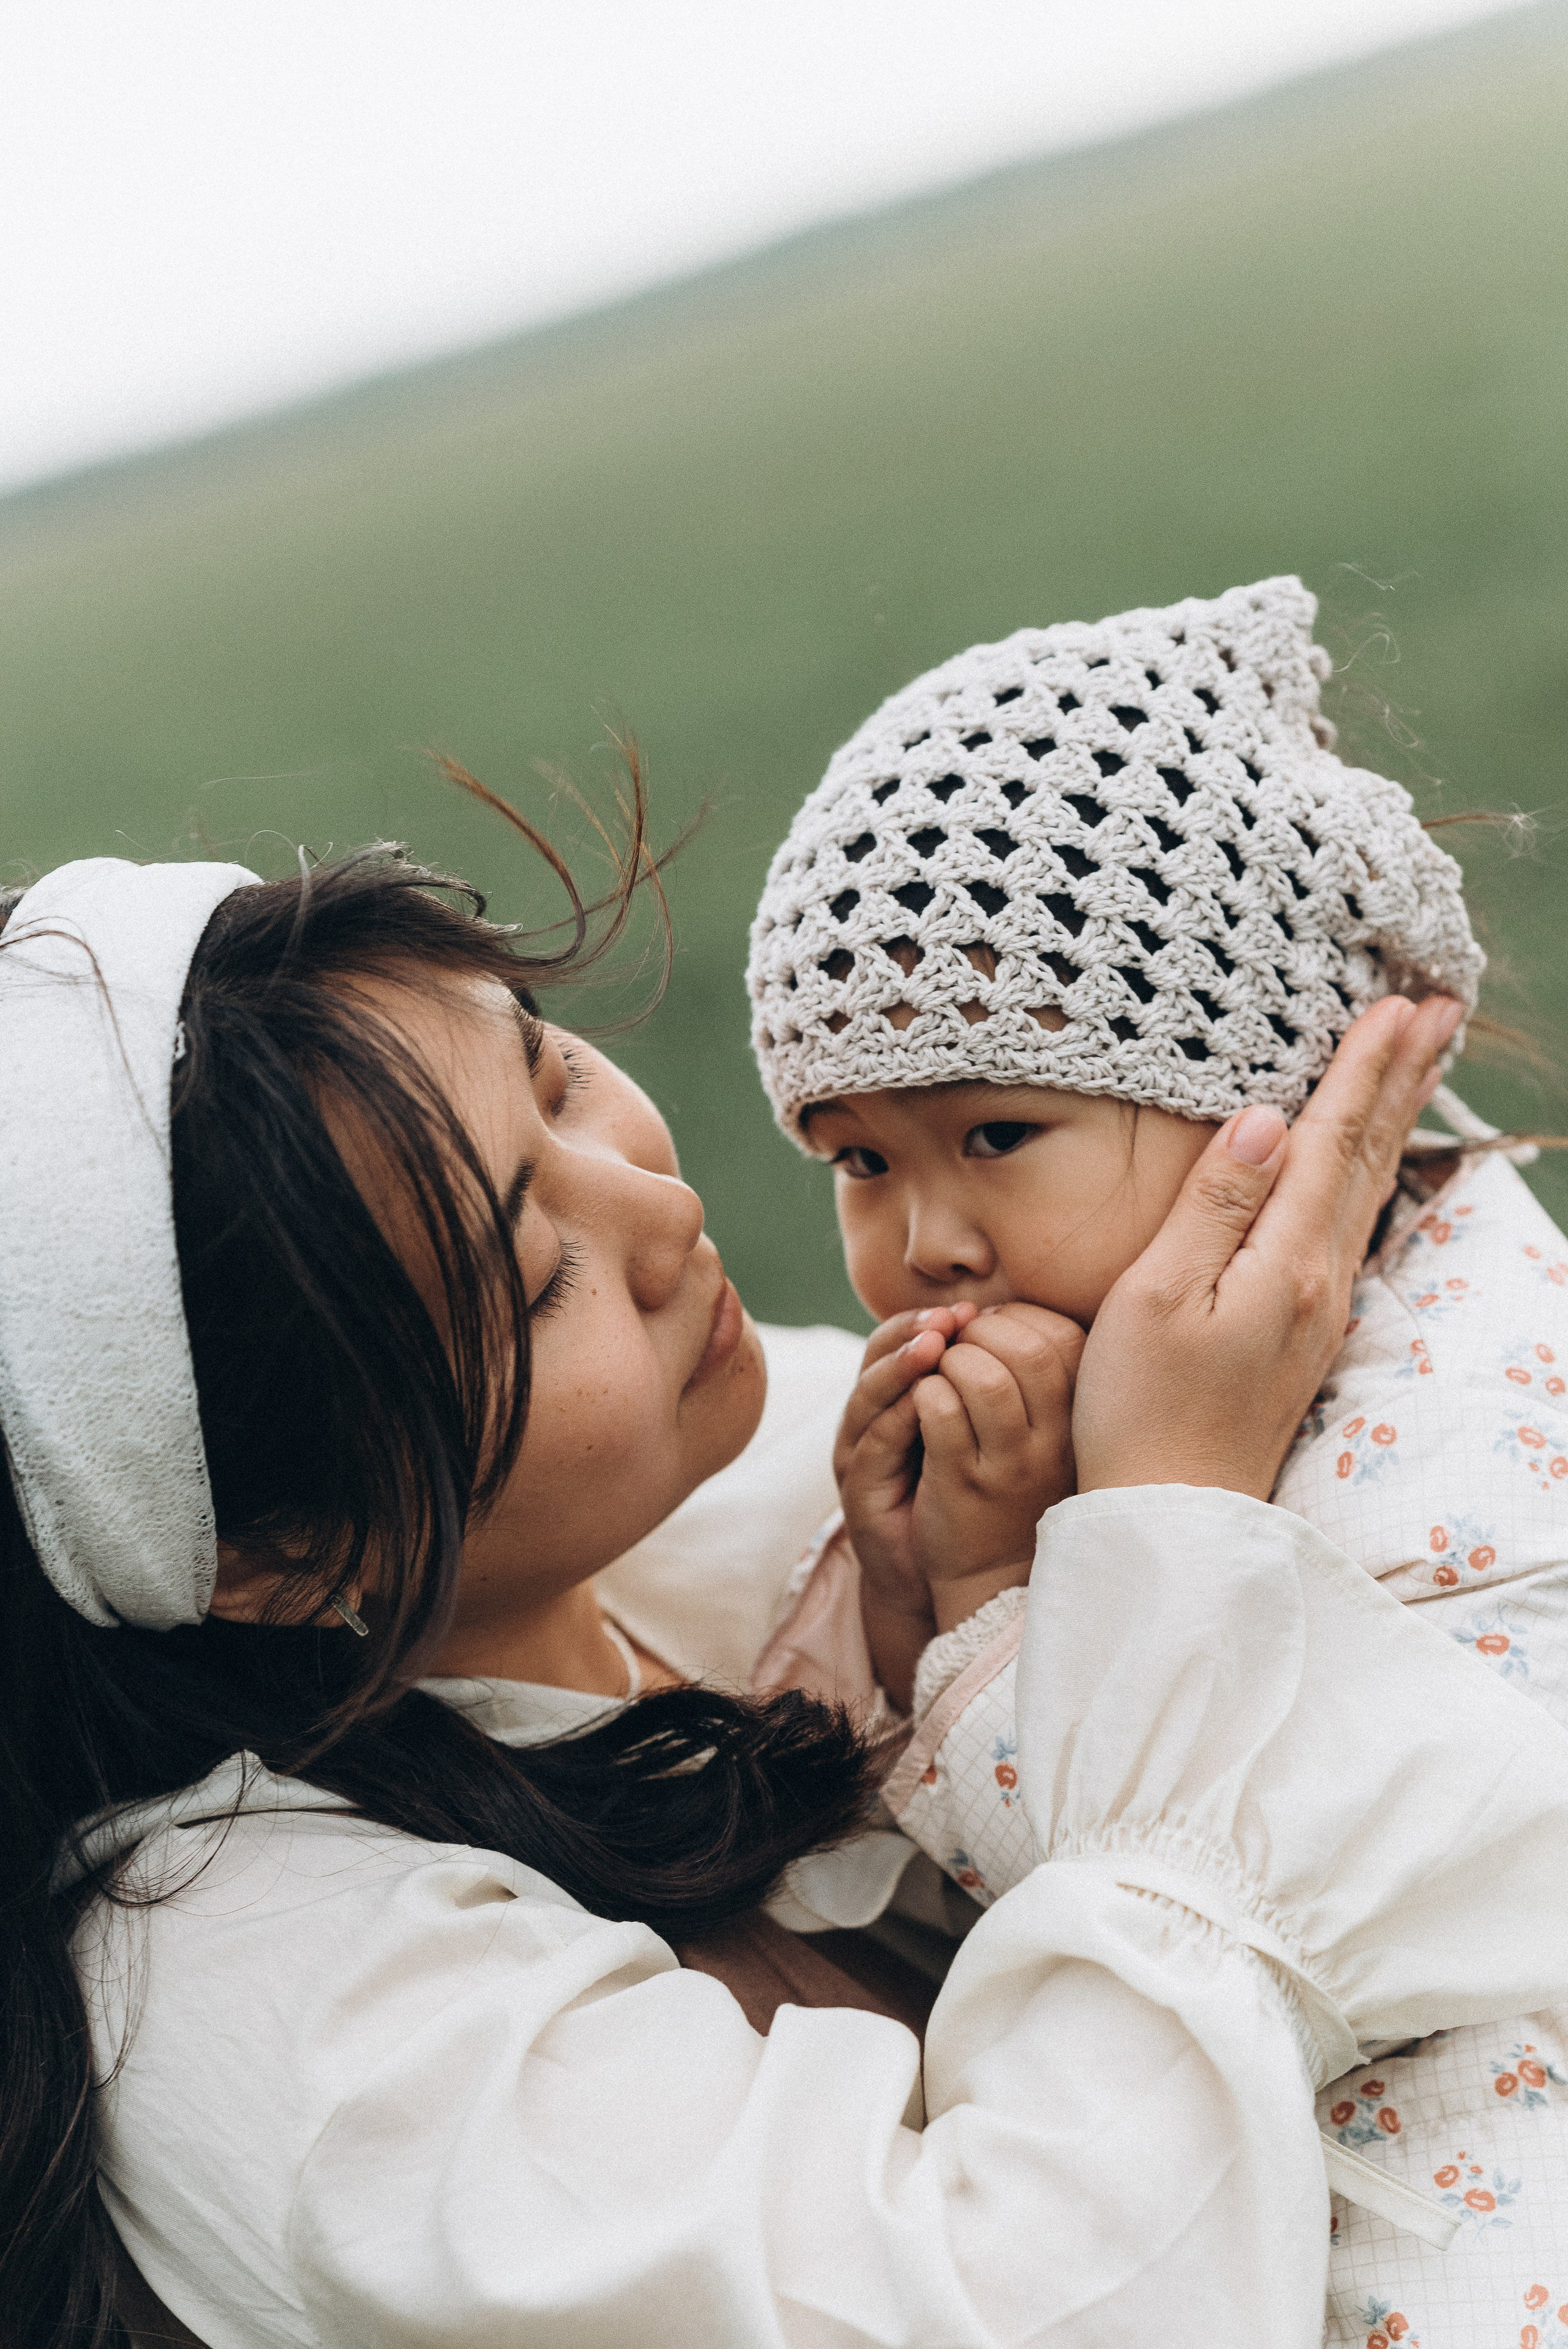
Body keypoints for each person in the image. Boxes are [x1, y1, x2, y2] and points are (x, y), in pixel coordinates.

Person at [2, 809, 1566, 2349]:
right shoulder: (281, 2023)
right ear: (277, 1552)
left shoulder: (732, 1500)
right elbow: (1060, 2305)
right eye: (530, 1272)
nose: (667, 1216)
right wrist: (1169, 1531)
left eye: (556, 1078)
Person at [746, 574, 1568, 2335]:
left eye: (995, 1128)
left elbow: (1143, 1875)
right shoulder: (1367, 1299)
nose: (928, 1240)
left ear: (1253, 1089)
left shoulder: (1453, 1425)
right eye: (859, 1161)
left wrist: (976, 1593)